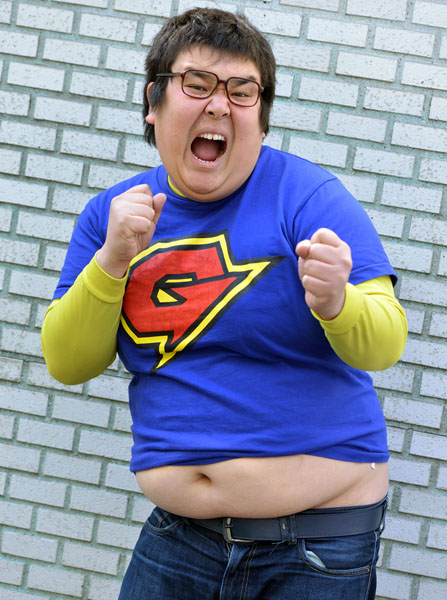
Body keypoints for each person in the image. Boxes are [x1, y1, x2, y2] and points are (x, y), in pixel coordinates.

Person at [41, 8, 407, 599]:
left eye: (242, 91)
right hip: (179, 537)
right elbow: (67, 362)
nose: (219, 105)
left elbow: (385, 344)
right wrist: (111, 262)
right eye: (197, 84)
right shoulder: (112, 216)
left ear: (261, 120)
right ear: (153, 103)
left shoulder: (308, 197)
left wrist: (339, 302)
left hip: (315, 545)